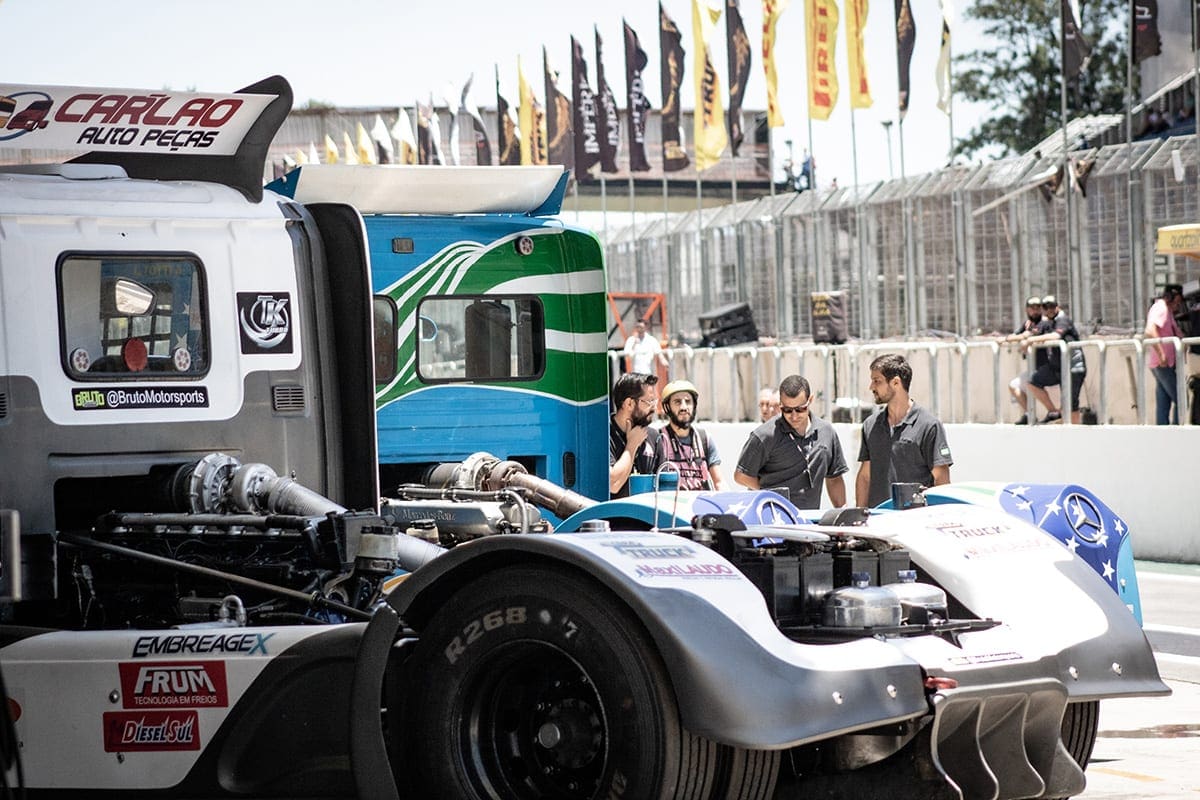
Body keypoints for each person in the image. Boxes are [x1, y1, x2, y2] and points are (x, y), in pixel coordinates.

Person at [735, 374, 847, 509]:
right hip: (774, 520)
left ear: (810, 400)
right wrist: (770, 493)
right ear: (780, 405)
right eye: (787, 410)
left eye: (800, 409)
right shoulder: (765, 435)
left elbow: (834, 478)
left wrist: (843, 512)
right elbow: (741, 475)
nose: (794, 416)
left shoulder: (826, 431)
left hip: (809, 521)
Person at [855, 354, 952, 508]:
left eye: (877, 381)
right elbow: (865, 476)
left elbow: (941, 478)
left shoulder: (929, 425)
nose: (871, 387)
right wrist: (859, 514)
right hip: (879, 521)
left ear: (896, 382)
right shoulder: (870, 425)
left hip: (915, 521)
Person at [647, 380, 725, 490]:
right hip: (670, 505)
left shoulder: (704, 438)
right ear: (667, 407)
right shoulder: (658, 438)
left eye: (688, 401)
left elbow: (719, 482)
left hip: (698, 505)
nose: (684, 407)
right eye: (677, 402)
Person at [1021, 295, 1086, 424]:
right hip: (1057, 367)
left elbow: (1056, 336)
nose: (1049, 309)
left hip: (1073, 368)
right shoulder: (1049, 323)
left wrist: (1029, 340)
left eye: (1051, 306)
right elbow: (1034, 332)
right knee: (1033, 382)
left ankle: (1074, 431)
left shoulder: (1063, 320)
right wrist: (1025, 335)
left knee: (1070, 403)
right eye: (1045, 307)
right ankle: (1054, 413)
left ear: (1057, 307)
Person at [608, 372, 659, 498]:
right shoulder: (603, 434)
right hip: (613, 515)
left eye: (654, 401)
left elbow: (663, 486)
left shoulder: (653, 436)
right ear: (629, 403)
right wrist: (631, 446)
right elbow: (613, 484)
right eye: (648, 402)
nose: (654, 408)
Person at [1145, 283, 1185, 425]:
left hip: (1166, 363)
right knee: (1181, 398)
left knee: (1164, 401)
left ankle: (1163, 432)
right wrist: (1161, 354)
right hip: (1163, 363)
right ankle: (1176, 431)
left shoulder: (1167, 311)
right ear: (1170, 298)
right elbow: (1150, 330)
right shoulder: (1161, 308)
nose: (1178, 306)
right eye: (1177, 302)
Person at [1005, 295, 1048, 424]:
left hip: (1046, 366)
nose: (1035, 311)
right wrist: (1007, 338)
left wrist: (1009, 339)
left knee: (1030, 383)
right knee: (1014, 385)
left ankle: (1053, 412)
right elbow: (1016, 334)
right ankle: (1029, 414)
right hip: (1034, 367)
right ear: (1027, 310)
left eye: (1038, 308)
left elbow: (1026, 335)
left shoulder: (1044, 323)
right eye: (1032, 308)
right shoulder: (1028, 323)